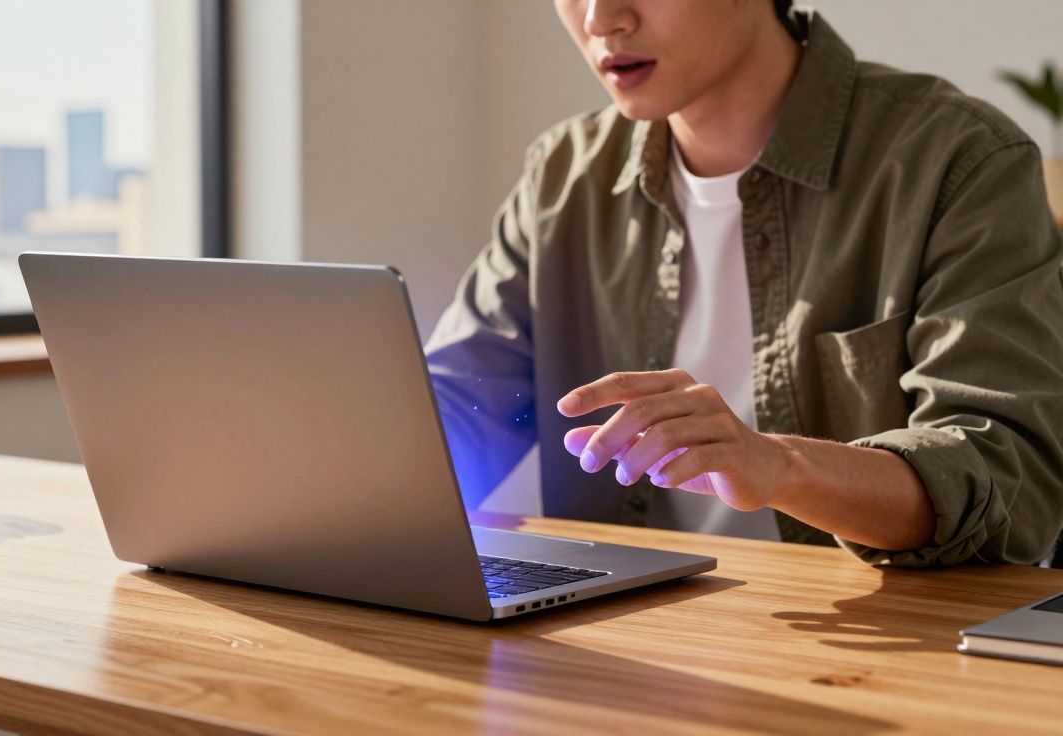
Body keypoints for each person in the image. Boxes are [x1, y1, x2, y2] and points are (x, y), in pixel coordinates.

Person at [425, 0, 1063, 567]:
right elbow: (454, 409)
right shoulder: (562, 178)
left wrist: (783, 466)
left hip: (873, 646)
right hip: (611, 638)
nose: (600, 18)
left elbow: (1007, 477)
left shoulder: (956, 161)